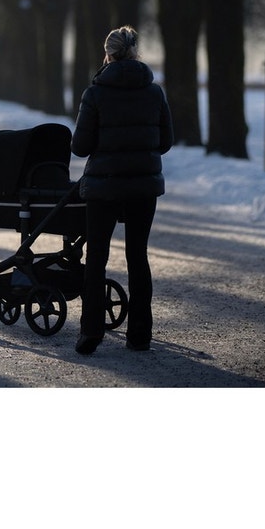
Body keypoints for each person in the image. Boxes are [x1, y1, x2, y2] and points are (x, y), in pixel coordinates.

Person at [71, 26, 173, 355]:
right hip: (143, 187)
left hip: (103, 187)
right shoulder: (154, 92)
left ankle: (91, 333)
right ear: (134, 51)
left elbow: (81, 146)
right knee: (137, 257)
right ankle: (140, 335)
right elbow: (165, 141)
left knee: (97, 257)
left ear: (109, 53)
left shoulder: (95, 93)